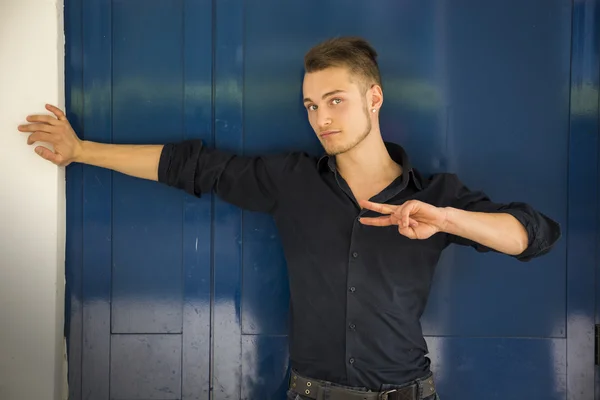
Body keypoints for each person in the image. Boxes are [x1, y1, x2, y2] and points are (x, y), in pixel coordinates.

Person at [18, 36, 560, 400]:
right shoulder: (292, 181)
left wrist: (449, 220)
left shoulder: (436, 193)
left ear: (374, 98)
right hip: (312, 392)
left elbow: (533, 236)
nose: (321, 118)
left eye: (335, 101)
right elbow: (191, 166)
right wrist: (81, 149)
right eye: (310, 106)